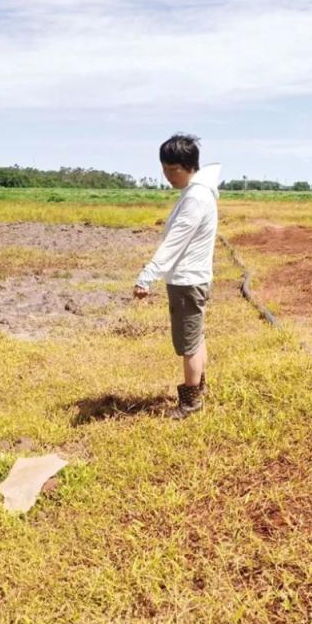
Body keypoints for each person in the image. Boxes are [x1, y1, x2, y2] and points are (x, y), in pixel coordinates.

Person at [133, 134, 221, 419]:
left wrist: (147, 276)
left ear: (190, 166)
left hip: (187, 281)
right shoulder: (196, 193)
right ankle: (199, 390)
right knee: (195, 338)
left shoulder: (195, 197)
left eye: (174, 170)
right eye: (165, 169)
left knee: (188, 344)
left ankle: (190, 402)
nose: (168, 175)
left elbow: (174, 243)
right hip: (192, 279)